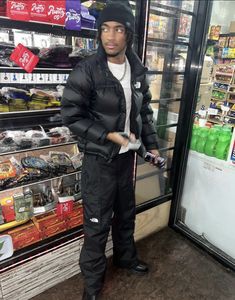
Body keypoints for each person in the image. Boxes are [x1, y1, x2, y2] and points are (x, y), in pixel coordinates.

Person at [61, 2, 160, 299]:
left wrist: (151, 146)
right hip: (98, 162)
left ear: (127, 33)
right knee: (96, 226)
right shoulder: (87, 70)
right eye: (105, 29)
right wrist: (108, 135)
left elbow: (144, 114)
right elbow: (71, 115)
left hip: (126, 160)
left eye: (117, 29)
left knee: (125, 215)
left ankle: (126, 258)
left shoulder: (138, 71)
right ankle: (92, 287)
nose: (110, 36)